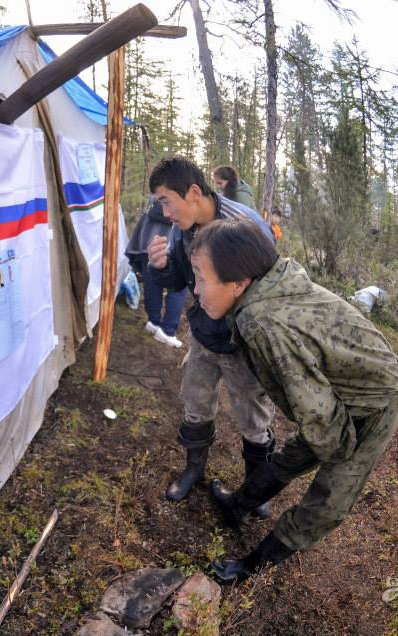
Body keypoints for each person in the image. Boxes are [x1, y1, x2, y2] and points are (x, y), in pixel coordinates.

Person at [184, 218, 398, 584]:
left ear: (239, 283)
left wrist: (337, 454)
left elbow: (318, 413)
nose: (196, 289)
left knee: (329, 498)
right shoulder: (268, 287)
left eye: (201, 278)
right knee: (293, 457)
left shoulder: (261, 321)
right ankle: (237, 507)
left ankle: (250, 566)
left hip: (373, 401)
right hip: (340, 385)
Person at [147, 157, 276, 512]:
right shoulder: (182, 229)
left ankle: (256, 491)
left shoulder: (245, 225)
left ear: (193, 192)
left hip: (243, 342)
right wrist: (159, 267)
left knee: (254, 417)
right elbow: (178, 280)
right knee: (196, 403)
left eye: (167, 201)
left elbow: (272, 287)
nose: (165, 213)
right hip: (204, 336)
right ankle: (193, 470)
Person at [125, 196, 188, 348]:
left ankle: (153, 322)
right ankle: (167, 331)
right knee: (178, 287)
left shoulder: (156, 196)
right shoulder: (180, 198)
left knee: (152, 283)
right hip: (170, 247)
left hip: (147, 243)